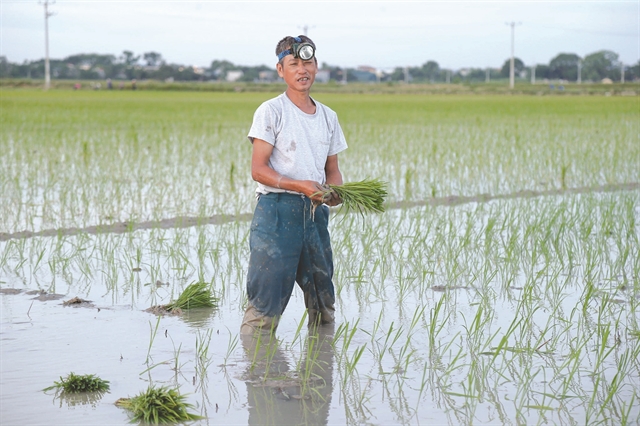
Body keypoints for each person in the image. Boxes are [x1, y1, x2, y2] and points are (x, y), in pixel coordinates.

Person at [240, 35, 348, 335]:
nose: (303, 70)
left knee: (323, 299)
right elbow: (258, 170)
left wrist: (335, 192)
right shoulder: (271, 111)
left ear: (317, 66)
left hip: (314, 215)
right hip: (276, 214)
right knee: (266, 301)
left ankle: (322, 369)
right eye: (294, 64)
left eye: (308, 63)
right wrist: (299, 185)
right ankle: (255, 373)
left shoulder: (328, 116)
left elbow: (332, 170)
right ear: (280, 70)